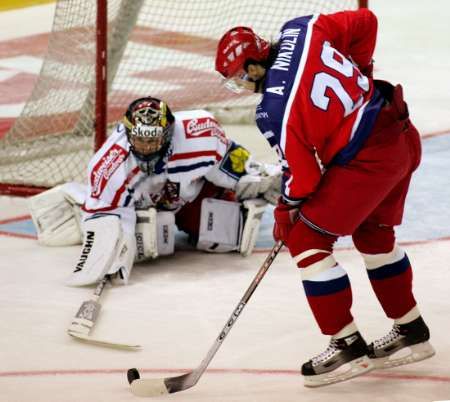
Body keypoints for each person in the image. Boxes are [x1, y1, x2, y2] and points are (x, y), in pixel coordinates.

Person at [215, 9, 435, 387]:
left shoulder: (274, 111)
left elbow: (304, 179)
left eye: (238, 78)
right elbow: (367, 23)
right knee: (374, 236)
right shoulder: (303, 28)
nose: (241, 86)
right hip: (399, 133)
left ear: (254, 68)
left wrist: (286, 208)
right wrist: (362, 71)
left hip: (369, 162)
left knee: (304, 238)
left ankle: (346, 343)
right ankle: (411, 329)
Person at [28, 96, 281, 287]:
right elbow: (107, 214)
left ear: (168, 134)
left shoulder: (199, 133)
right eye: (140, 140)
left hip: (190, 195)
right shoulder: (110, 164)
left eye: (153, 140)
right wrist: (109, 255)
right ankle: (78, 199)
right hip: (146, 207)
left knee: (226, 238)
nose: (146, 148)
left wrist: (256, 178)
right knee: (148, 238)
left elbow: (227, 159)